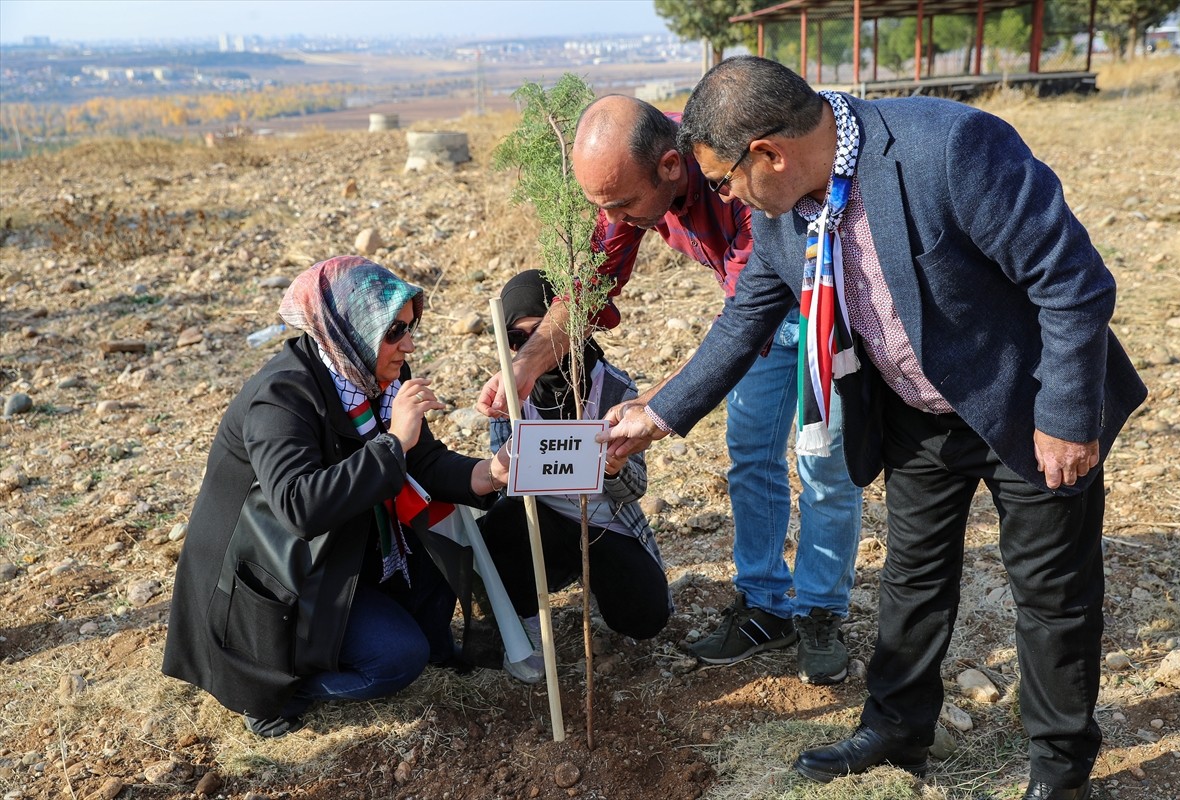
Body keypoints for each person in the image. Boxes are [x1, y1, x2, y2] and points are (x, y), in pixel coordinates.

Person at [602, 57, 1146, 800]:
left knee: (1051, 594)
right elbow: (745, 320)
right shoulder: (783, 213)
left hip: (1027, 407)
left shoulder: (949, 148)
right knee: (913, 581)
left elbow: (1073, 281)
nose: (724, 197)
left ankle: (1060, 768)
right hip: (916, 415)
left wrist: (1065, 415)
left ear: (769, 152)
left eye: (724, 180)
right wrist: (656, 415)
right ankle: (896, 731)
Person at [476, 94, 863, 683]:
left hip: (827, 308)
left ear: (672, 166)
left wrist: (656, 409)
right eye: (606, 207)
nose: (620, 219)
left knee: (824, 466)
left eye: (625, 205)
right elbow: (590, 282)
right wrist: (527, 362)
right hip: (756, 315)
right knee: (752, 459)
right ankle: (765, 607)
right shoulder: (633, 183)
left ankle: (819, 614)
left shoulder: (737, 178)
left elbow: (747, 314)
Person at [162, 256, 511, 737]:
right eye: (394, 332)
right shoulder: (283, 396)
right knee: (397, 661)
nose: (408, 344)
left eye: (410, 328)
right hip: (279, 575)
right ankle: (286, 690)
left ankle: (380, 627)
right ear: (352, 331)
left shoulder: (374, 375)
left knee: (444, 556)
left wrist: (489, 473)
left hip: (341, 550)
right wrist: (393, 444)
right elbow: (299, 506)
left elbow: (423, 462)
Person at [477, 270, 671, 683]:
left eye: (541, 335)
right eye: (517, 340)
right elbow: (500, 475)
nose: (532, 349)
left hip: (604, 526)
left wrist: (612, 470)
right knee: (499, 525)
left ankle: (601, 587)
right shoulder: (507, 392)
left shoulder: (614, 388)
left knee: (646, 619)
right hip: (538, 522)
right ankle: (524, 624)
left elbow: (637, 488)